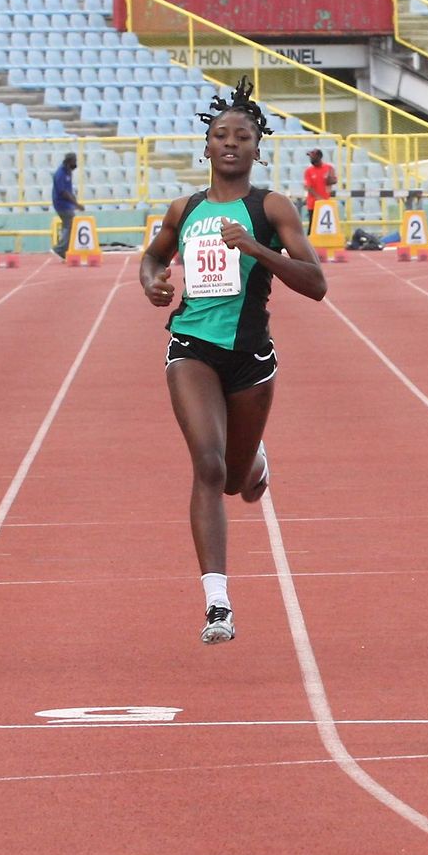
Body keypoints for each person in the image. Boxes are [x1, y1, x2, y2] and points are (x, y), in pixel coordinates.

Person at [140, 78, 327, 645]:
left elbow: (316, 284)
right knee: (209, 466)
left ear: (255, 148)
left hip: (252, 359)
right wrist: (153, 282)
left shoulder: (271, 207)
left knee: (239, 482)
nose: (230, 143)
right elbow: (151, 257)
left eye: (242, 135)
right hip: (191, 348)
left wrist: (253, 247)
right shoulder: (185, 208)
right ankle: (217, 603)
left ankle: (257, 463)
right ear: (207, 147)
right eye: (220, 134)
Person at [302, 148, 337, 233]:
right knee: (312, 226)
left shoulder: (328, 168)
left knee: (325, 228)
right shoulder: (308, 171)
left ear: (319, 157)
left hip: (326, 203)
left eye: (312, 157)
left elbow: (334, 181)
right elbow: (308, 187)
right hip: (313, 204)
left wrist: (330, 178)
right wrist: (319, 198)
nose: (311, 159)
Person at [51, 152, 79, 257]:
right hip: (61, 203)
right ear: (69, 161)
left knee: (68, 225)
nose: (76, 163)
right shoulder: (60, 173)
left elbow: (69, 189)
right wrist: (76, 203)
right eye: (74, 161)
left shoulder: (68, 171)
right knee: (70, 224)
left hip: (67, 204)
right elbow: (63, 192)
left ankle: (64, 250)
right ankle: (59, 249)